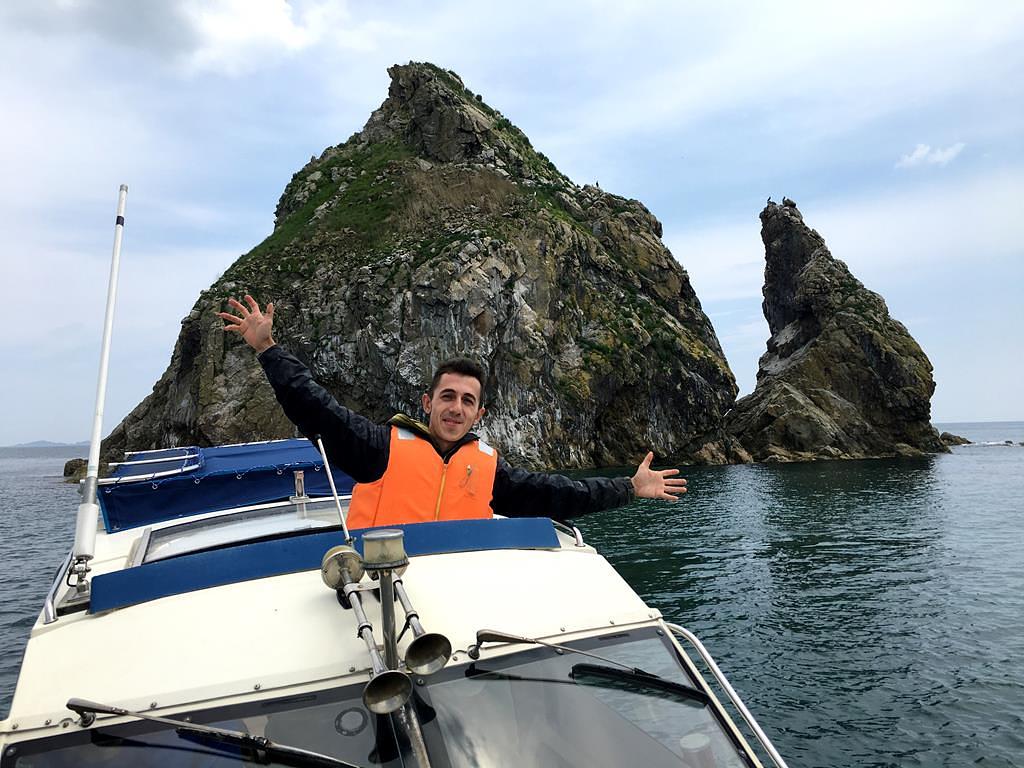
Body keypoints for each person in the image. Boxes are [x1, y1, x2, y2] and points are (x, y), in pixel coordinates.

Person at [218, 295, 687, 527]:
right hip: (382, 586)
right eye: (447, 396)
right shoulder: (378, 448)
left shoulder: (489, 471)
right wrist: (268, 348)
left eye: (467, 401)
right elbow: (314, 406)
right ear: (428, 403)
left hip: (459, 585)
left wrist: (629, 487)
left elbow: (560, 494)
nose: (456, 408)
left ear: (479, 415)